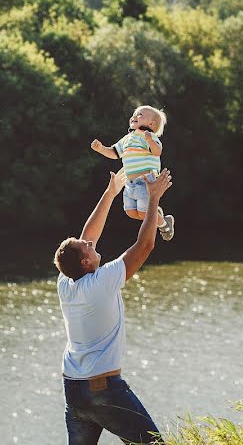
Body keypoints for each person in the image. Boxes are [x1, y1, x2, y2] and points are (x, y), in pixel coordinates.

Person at [54, 167, 173, 444]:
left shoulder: (66, 282)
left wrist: (110, 193)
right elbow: (144, 246)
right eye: (85, 247)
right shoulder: (102, 282)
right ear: (85, 262)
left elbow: (88, 235)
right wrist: (153, 198)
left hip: (73, 388)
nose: (88, 242)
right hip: (103, 389)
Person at [90, 105, 175, 241]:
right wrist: (101, 149)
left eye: (140, 114)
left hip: (146, 181)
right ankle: (156, 213)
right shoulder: (127, 138)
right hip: (129, 183)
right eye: (134, 114)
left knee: (143, 213)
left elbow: (157, 151)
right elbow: (115, 152)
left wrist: (149, 140)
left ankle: (165, 224)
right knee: (130, 212)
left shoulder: (148, 136)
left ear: (151, 124)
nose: (134, 116)